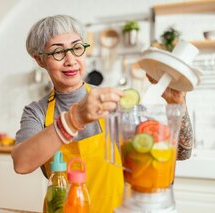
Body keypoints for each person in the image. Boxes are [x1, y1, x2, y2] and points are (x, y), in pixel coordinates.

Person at [11, 15, 193, 212]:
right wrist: (74, 119)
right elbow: (22, 164)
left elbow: (182, 152)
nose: (71, 60)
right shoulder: (36, 112)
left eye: (77, 48)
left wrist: (177, 104)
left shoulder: (113, 102)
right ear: (39, 59)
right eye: (57, 52)